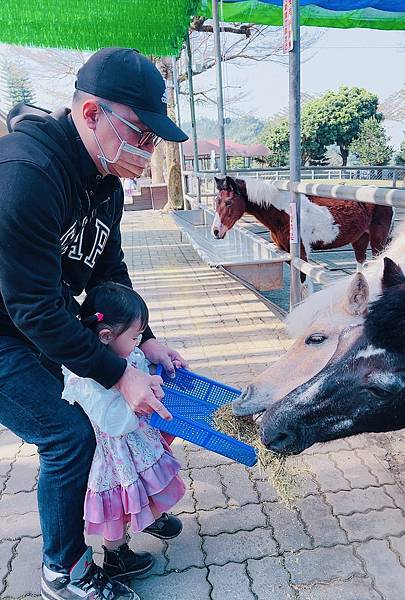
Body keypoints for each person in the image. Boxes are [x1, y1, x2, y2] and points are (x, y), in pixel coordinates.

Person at [0, 47, 188, 600]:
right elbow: (33, 307)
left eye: (154, 139)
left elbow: (110, 269)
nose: (146, 151)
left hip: (36, 317)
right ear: (90, 115)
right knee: (67, 435)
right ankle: (63, 570)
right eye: (139, 133)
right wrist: (115, 373)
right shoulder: (25, 176)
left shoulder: (104, 182)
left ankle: (115, 529)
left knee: (93, 427)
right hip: (9, 325)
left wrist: (145, 341)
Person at [62, 283, 185, 579]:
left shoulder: (120, 350)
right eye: (135, 336)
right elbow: (113, 422)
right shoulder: (85, 378)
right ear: (105, 336)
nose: (139, 340)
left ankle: (149, 516)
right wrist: (140, 404)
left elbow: (139, 364)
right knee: (118, 505)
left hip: (137, 445)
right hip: (116, 454)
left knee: (148, 485)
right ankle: (117, 557)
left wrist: (158, 367)